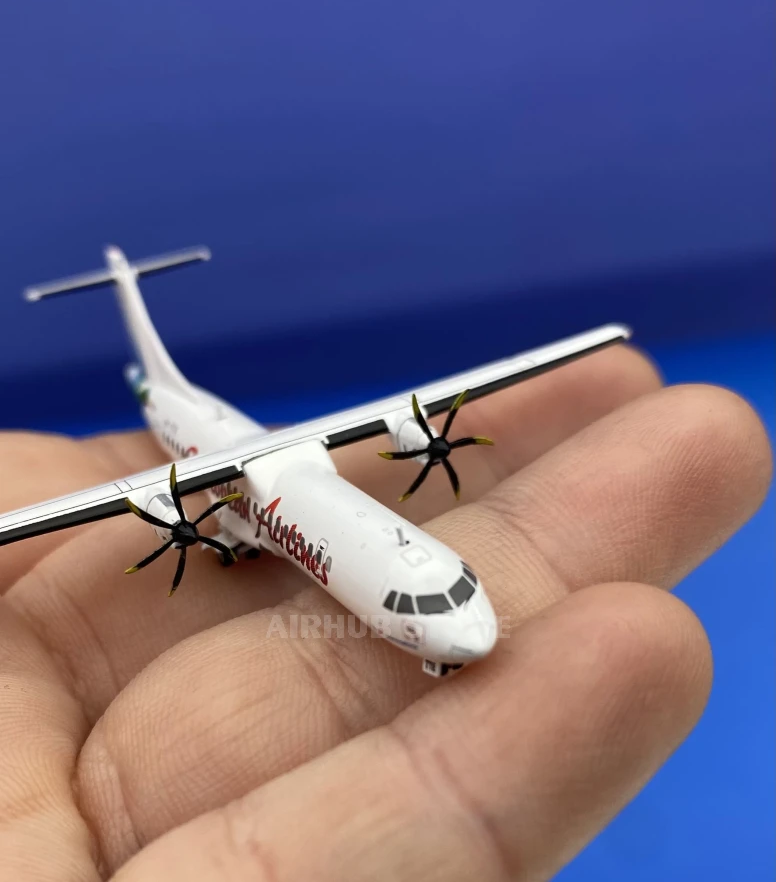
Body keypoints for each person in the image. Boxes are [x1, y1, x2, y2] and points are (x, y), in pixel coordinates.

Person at [0, 345, 771, 881]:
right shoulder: (256, 482)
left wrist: (417, 436)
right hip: (204, 446)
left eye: (452, 591)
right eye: (427, 603)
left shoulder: (350, 509)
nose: (460, 615)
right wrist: (186, 523)